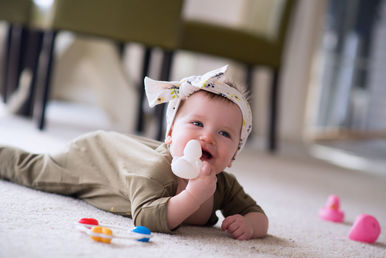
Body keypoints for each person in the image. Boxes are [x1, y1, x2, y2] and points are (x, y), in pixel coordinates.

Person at [0, 65, 268, 240]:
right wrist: (193, 196)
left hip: (117, 157)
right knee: (33, 170)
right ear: (171, 134)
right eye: (197, 123)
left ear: (234, 154)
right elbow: (147, 216)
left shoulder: (225, 185)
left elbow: (258, 216)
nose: (207, 136)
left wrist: (250, 226)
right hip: (94, 158)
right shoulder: (157, 171)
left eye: (224, 133)